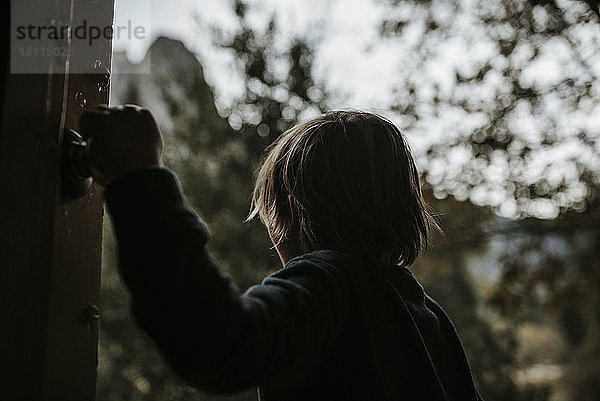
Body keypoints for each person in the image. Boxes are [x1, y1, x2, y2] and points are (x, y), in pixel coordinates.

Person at [80, 104, 484, 401]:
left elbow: (218, 344)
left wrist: (141, 181)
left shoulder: (327, 284)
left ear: (289, 209)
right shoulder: (428, 318)